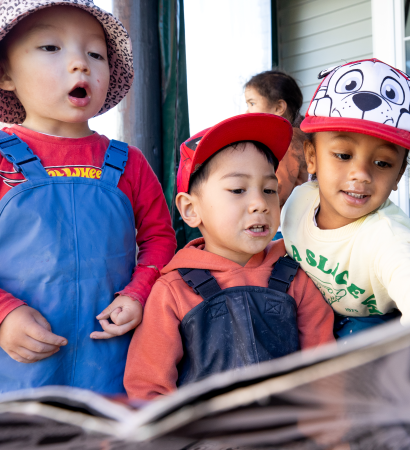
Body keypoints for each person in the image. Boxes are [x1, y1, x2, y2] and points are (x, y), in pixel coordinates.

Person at [0, 1, 176, 394]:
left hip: (112, 363)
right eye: (51, 47)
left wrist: (139, 292)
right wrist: (4, 315)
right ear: (5, 73)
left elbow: (159, 239)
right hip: (16, 372)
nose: (81, 64)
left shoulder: (128, 162)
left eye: (95, 53)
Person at [124, 114, 335, 400]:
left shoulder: (295, 275)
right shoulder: (173, 291)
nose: (260, 204)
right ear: (190, 210)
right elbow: (148, 389)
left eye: (270, 190)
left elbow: (326, 372)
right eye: (238, 190)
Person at [280, 58, 410, 339]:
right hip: (306, 307)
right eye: (343, 155)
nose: (362, 174)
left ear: (399, 174)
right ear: (311, 157)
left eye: (382, 163)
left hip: (364, 323)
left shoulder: (386, 236)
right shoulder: (298, 202)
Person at [245, 70, 309, 207]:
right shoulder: (295, 136)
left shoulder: (288, 142)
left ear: (279, 107)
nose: (247, 111)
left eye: (252, 103)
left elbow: (278, 191)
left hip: (285, 222)